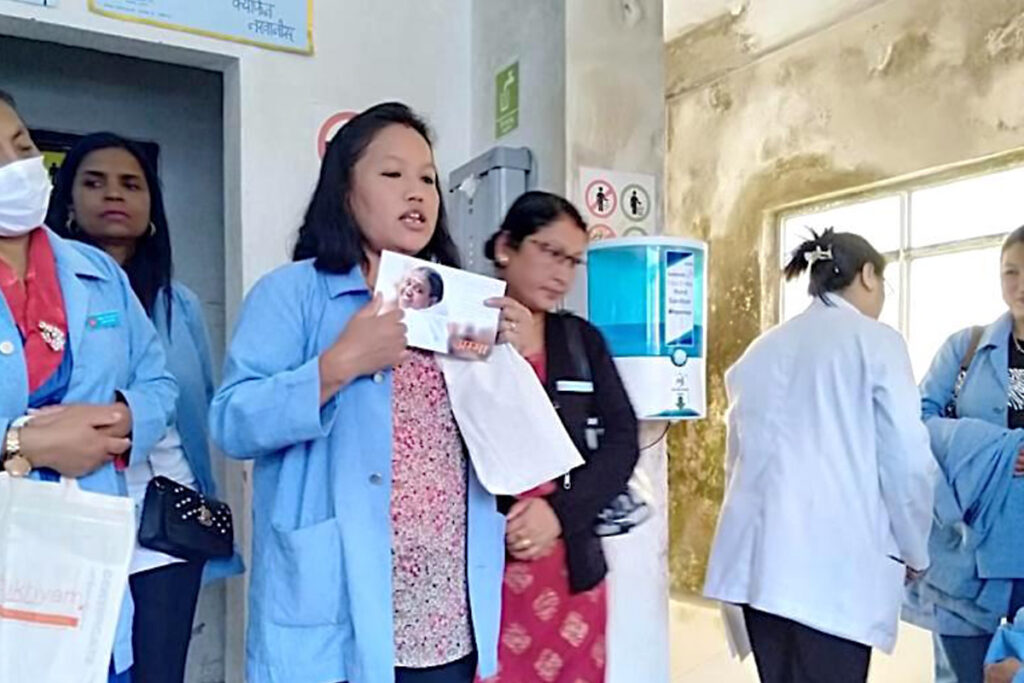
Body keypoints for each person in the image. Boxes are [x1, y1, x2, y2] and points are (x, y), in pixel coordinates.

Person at [208, 102, 504, 683]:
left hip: (446, 610)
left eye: (427, 179)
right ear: (345, 190)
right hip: (337, 603)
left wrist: (507, 358)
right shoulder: (292, 294)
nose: (415, 193)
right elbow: (231, 422)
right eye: (392, 175)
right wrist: (337, 365)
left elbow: (495, 445)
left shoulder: (454, 304)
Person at [47, 132, 243, 683]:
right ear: (67, 199)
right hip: (80, 513)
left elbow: (198, 404)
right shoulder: (48, 291)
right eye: (94, 182)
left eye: (131, 184)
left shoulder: (178, 302)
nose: (114, 194)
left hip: (166, 526)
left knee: (159, 672)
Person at [703, 229, 937, 683]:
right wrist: (915, 548)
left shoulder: (762, 349)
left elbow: (737, 460)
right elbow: (907, 461)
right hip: (830, 578)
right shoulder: (877, 342)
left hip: (758, 574)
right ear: (868, 275)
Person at [0, 91, 177, 683]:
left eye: (21, 146)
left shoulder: (96, 272)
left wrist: (122, 420)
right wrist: (21, 446)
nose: (16, 166)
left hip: (86, 559)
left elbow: (156, 380)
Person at [479, 190, 640, 682]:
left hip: (570, 568)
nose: (562, 274)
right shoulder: (462, 331)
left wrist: (559, 511)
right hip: (486, 570)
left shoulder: (580, 341)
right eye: (550, 252)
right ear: (507, 246)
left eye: (573, 261)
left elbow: (622, 442)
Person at [914, 226, 1024, 683]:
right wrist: (992, 451)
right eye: (1010, 272)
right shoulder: (966, 348)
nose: (1019, 285)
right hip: (967, 547)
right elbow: (913, 428)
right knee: (962, 676)